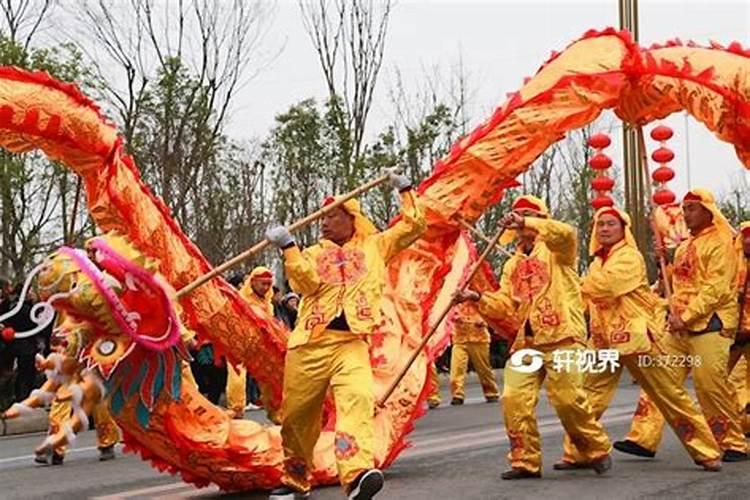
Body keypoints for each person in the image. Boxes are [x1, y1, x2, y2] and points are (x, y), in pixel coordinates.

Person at [267, 170, 425, 500]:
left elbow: (414, 226)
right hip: (309, 344)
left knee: (357, 401)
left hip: (351, 343)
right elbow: (304, 283)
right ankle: (295, 478)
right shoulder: (311, 253)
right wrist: (289, 248)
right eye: (322, 218)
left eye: (333, 217)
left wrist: (406, 190)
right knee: (297, 417)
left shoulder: (375, 246)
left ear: (351, 218)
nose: (325, 223)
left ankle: (355, 475)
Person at [453, 195, 612, 479]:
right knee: (514, 398)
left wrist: (528, 221)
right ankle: (525, 460)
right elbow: (505, 303)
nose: (520, 221)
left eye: (527, 215)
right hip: (526, 343)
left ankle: (595, 448)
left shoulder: (558, 251)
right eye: (517, 215)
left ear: (541, 219)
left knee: (567, 400)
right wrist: (475, 297)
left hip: (562, 335)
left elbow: (567, 233)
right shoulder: (512, 264)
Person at [555, 207, 721, 471]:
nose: (605, 229)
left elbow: (606, 287)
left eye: (611, 224)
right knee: (585, 396)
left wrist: (570, 282)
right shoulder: (598, 261)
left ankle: (706, 450)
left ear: (623, 229)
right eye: (601, 225)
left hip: (635, 336)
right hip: (603, 340)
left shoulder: (629, 257)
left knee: (668, 394)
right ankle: (581, 452)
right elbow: (585, 298)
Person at [614, 189, 747, 462]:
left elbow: (717, 289)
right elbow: (680, 282)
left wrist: (685, 316)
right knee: (659, 379)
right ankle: (643, 437)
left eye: (692, 208)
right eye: (684, 208)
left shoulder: (722, 242)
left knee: (709, 386)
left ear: (708, 211)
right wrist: (664, 261)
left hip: (711, 324)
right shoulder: (685, 245)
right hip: (678, 326)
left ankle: (733, 442)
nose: (685, 213)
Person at [448, 301, 499, 405]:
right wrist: (453, 317)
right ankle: (457, 395)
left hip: (479, 338)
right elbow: (447, 314)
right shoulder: (453, 297)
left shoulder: (479, 295)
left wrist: (482, 321)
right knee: (456, 368)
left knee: (483, 369)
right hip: (459, 338)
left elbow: (491, 310)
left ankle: (491, 392)